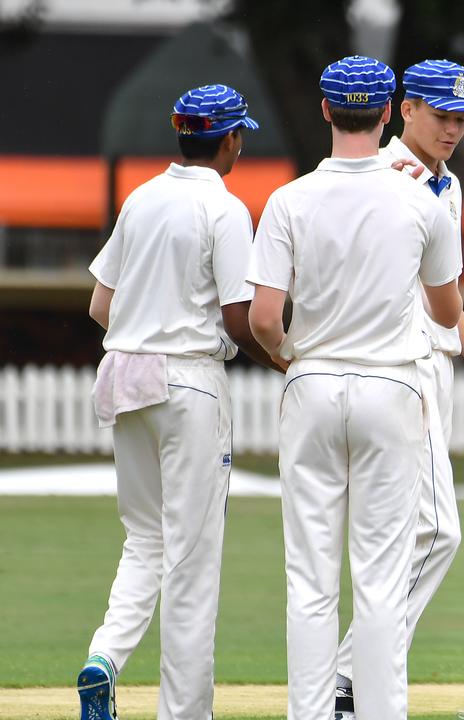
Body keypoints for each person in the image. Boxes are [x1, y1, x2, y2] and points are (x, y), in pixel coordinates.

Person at [246, 55, 463, 720]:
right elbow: (448, 312)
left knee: (310, 579)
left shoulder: (290, 198)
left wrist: (291, 358)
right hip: (390, 386)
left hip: (312, 384)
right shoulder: (420, 199)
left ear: (324, 110)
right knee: (381, 578)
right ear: (390, 107)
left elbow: (261, 317)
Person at [77, 83, 274, 720]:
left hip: (124, 375)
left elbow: (99, 306)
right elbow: (240, 318)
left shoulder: (141, 198)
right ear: (230, 139)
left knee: (145, 539)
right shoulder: (225, 209)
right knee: (191, 558)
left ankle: (104, 658)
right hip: (188, 381)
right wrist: (288, 361)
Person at [332, 57, 464, 717]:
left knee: (414, 533)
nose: (452, 129)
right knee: (436, 531)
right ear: (404, 108)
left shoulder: (450, 186)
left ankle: (352, 679)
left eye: (462, 119)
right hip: (397, 368)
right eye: (441, 115)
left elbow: (446, 298)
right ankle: (353, 676)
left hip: (431, 363)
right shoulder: (383, 176)